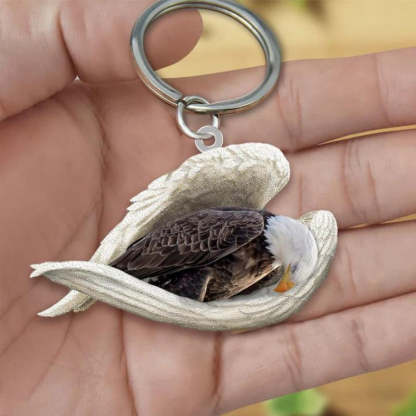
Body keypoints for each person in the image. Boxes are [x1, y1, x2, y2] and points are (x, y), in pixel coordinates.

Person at [0, 2, 415, 415]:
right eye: (290, 271)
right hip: (153, 273)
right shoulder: (244, 226)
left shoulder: (269, 260)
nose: (283, 279)